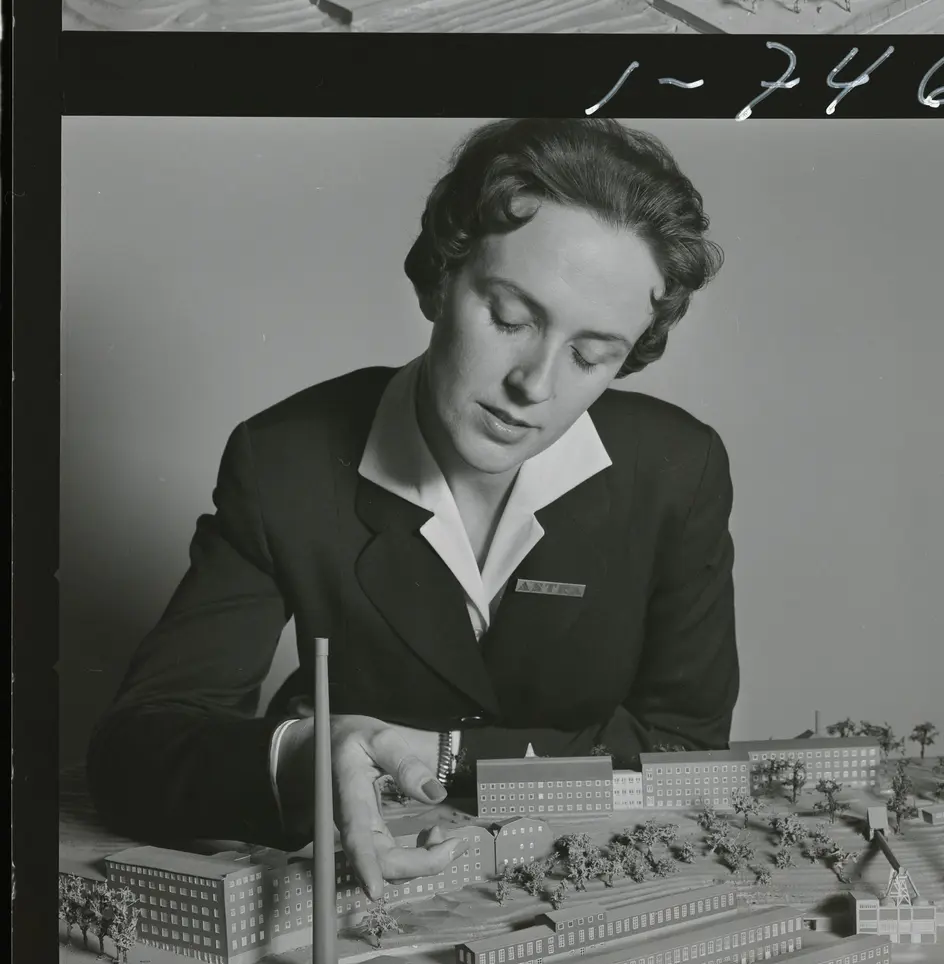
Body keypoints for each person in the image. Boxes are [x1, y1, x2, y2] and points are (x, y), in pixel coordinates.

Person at [87, 117, 738, 900]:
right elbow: (134, 751)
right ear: (438, 280)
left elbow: (684, 746)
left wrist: (448, 759)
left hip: (583, 881)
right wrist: (305, 754)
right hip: (352, 891)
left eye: (591, 354)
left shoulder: (679, 469)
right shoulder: (284, 460)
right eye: (510, 319)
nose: (534, 384)